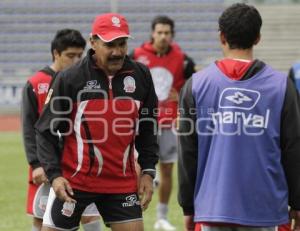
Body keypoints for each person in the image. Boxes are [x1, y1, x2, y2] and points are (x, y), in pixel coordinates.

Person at [177, 3, 300, 231]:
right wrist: (298, 202)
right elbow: (293, 148)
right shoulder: (282, 86)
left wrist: (188, 207)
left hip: (212, 209)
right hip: (266, 209)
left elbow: (187, 152)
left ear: (222, 37)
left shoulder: (195, 85)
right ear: (258, 37)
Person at [35, 13, 158, 231]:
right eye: (110, 45)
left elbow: (148, 129)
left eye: (122, 44)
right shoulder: (70, 78)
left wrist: (148, 172)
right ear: (93, 42)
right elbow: (46, 131)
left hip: (122, 184)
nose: (117, 52)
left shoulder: (141, 76)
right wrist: (54, 176)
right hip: (75, 182)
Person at [21, 29, 102, 231]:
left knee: (89, 215)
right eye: (70, 55)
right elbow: (30, 128)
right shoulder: (35, 83)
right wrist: (36, 163)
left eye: (79, 55)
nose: (76, 60)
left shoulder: (85, 80)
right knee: (42, 218)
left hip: (79, 163)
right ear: (56, 54)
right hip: (46, 164)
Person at [130, 15, 195, 231]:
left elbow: (197, 83)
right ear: (152, 33)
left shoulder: (182, 59)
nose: (163, 36)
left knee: (168, 169)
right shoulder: (137, 56)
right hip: (143, 121)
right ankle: (133, 211)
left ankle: (161, 217)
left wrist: (184, 94)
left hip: (169, 122)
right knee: (137, 168)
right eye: (159, 32)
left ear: (172, 35)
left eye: (167, 33)